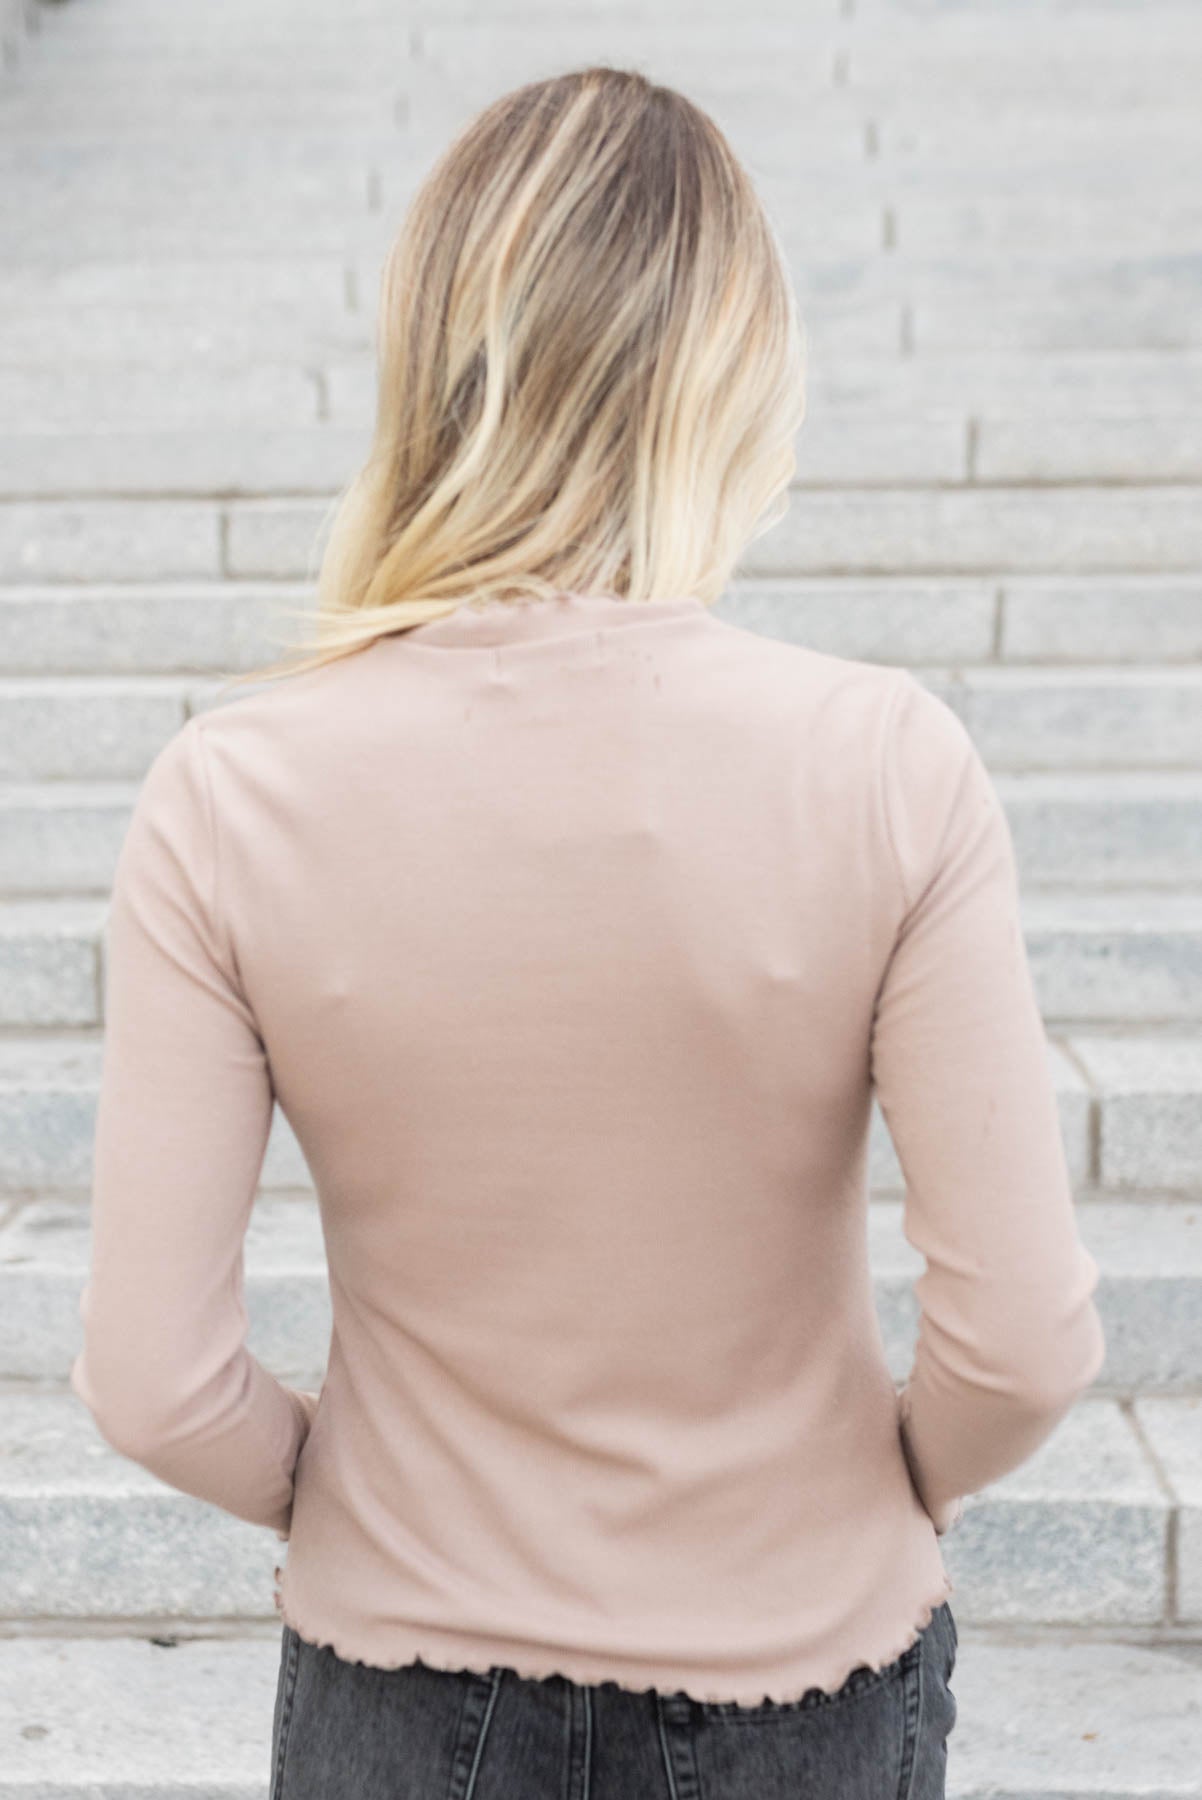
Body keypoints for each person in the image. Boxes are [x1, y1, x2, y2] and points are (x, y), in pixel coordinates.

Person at [69, 65, 1106, 1800]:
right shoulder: (883, 765)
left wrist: (364, 1501)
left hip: (401, 1683)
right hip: (809, 1673)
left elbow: (151, 1383)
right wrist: (866, 1488)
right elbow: (1021, 1349)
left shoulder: (227, 794)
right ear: (734, 374)